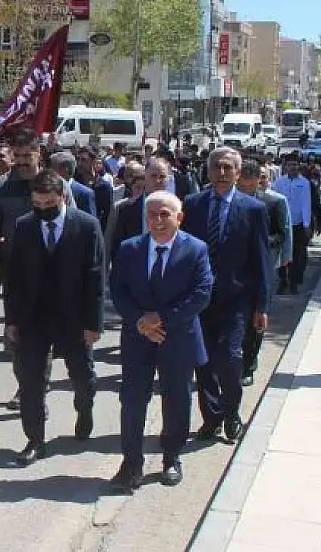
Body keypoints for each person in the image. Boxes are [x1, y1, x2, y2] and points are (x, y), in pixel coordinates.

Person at [110, 191, 213, 492]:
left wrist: (161, 320)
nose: (157, 220)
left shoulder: (196, 249)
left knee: (176, 399)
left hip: (178, 337)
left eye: (165, 214)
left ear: (179, 217)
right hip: (137, 337)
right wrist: (141, 321)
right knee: (131, 400)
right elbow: (118, 291)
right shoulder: (129, 249)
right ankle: (131, 462)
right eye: (152, 214)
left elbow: (201, 294)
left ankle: (171, 457)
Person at [4, 170, 104, 465]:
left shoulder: (86, 226)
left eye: (50, 204)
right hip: (33, 318)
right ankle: (35, 439)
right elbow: (14, 277)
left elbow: (96, 277)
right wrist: (11, 320)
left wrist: (93, 324)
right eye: (38, 204)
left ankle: (84, 409)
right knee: (31, 381)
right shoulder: (24, 226)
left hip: (73, 318)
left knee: (83, 377)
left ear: (62, 197)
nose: (43, 210)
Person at [181, 147, 270, 443]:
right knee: (203, 362)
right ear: (208, 170)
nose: (221, 173)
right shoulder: (192, 205)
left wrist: (262, 304)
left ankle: (232, 413)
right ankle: (212, 418)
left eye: (227, 168)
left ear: (238, 172)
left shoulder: (253, 209)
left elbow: (261, 260)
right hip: (200, 299)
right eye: (216, 167)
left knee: (231, 359)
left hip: (236, 299)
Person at [0, 130, 44, 409]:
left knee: (43, 339)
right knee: (17, 336)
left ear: (38, 154)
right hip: (15, 275)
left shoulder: (54, 184)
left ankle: (37, 391)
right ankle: (26, 387)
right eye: (17, 156)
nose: (21, 162)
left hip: (49, 275)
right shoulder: (0, 187)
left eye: (26, 156)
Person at [236, 160, 291, 387]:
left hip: (262, 267)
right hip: (234, 269)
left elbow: (281, 233)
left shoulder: (274, 202)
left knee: (256, 319)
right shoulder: (229, 200)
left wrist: (259, 242)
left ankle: (248, 364)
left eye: (251, 182)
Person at [272, 154, 312, 295]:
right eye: (290, 165)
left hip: (298, 224)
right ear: (285, 166)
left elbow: (306, 204)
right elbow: (273, 202)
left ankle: (294, 282)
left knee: (296, 254)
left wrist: (307, 224)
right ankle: (283, 280)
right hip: (281, 224)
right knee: (281, 253)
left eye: (295, 164)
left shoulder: (304, 183)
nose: (292, 167)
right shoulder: (278, 182)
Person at [49, 151, 96, 217]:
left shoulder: (85, 194)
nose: (49, 171)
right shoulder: (49, 189)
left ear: (65, 170)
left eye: (52, 168)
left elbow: (90, 223)